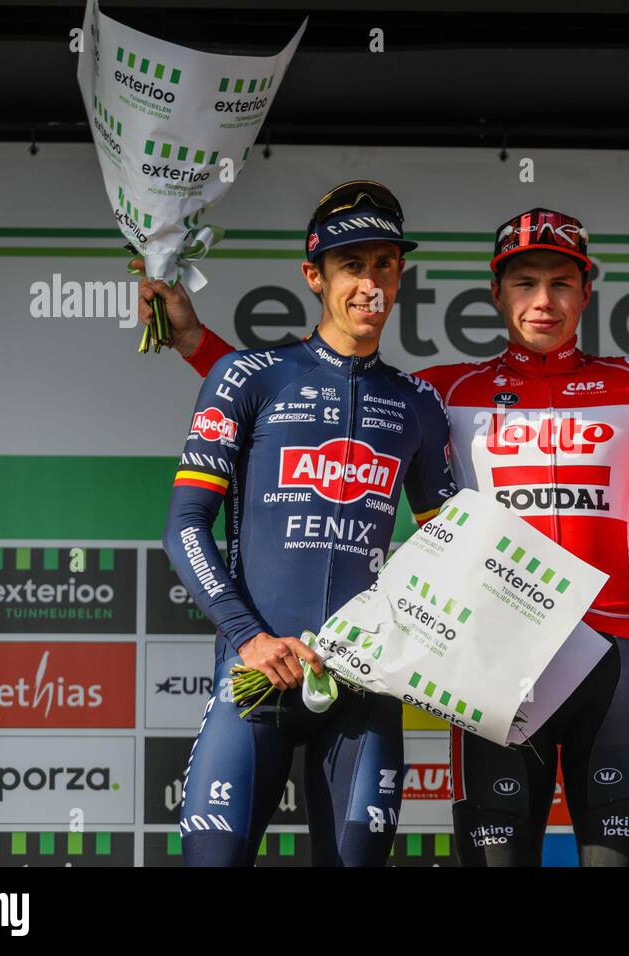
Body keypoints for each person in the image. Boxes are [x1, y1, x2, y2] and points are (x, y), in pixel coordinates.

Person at [150, 207, 629, 866]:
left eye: (561, 283)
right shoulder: (441, 391)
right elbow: (300, 393)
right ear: (496, 293)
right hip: (496, 666)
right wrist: (195, 344)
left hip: (609, 658)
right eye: (523, 283)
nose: (543, 301)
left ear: (587, 290)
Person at [159, 180, 457, 866]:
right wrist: (251, 638)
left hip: (363, 686)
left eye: (385, 263)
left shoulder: (418, 404)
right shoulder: (248, 377)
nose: (370, 283)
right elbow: (184, 526)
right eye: (353, 266)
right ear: (314, 276)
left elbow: (449, 551)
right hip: (255, 672)